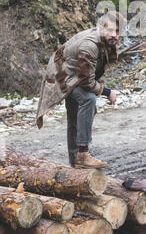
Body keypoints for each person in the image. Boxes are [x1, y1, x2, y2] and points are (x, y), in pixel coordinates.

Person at [36, 11, 120, 169]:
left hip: (71, 72)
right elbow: (87, 82)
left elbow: (91, 73)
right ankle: (82, 154)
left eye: (117, 31)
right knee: (88, 99)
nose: (114, 35)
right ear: (101, 29)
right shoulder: (90, 46)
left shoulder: (103, 42)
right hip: (60, 74)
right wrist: (108, 92)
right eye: (110, 31)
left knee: (76, 113)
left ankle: (75, 161)